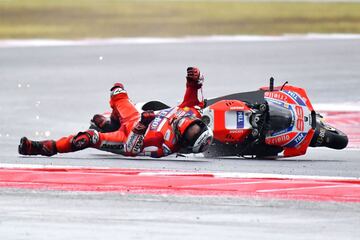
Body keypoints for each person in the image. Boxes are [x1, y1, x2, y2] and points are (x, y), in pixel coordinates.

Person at [18, 67, 213, 158]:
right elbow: (192, 97)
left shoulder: (163, 144)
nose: (191, 126)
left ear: (184, 141)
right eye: (197, 127)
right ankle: (111, 120)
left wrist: (140, 127)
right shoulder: (192, 113)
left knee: (88, 138)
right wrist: (193, 80)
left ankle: (41, 148)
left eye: (191, 133)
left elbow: (131, 149)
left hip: (126, 135)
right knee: (117, 90)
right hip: (133, 116)